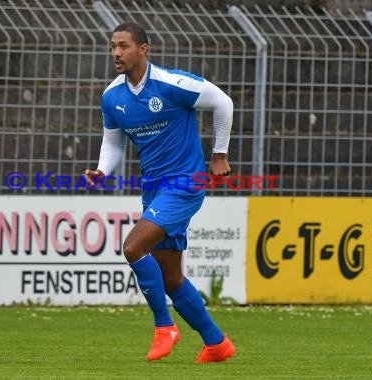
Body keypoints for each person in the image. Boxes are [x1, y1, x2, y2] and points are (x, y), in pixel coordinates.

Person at [84, 22, 235, 363]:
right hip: (153, 188)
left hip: (185, 183)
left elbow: (223, 103)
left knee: (133, 247)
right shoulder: (112, 96)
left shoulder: (171, 84)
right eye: (112, 47)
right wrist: (102, 171)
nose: (116, 53)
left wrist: (220, 154)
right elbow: (113, 143)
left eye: (123, 46)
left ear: (143, 48)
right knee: (171, 279)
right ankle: (216, 343)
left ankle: (164, 326)